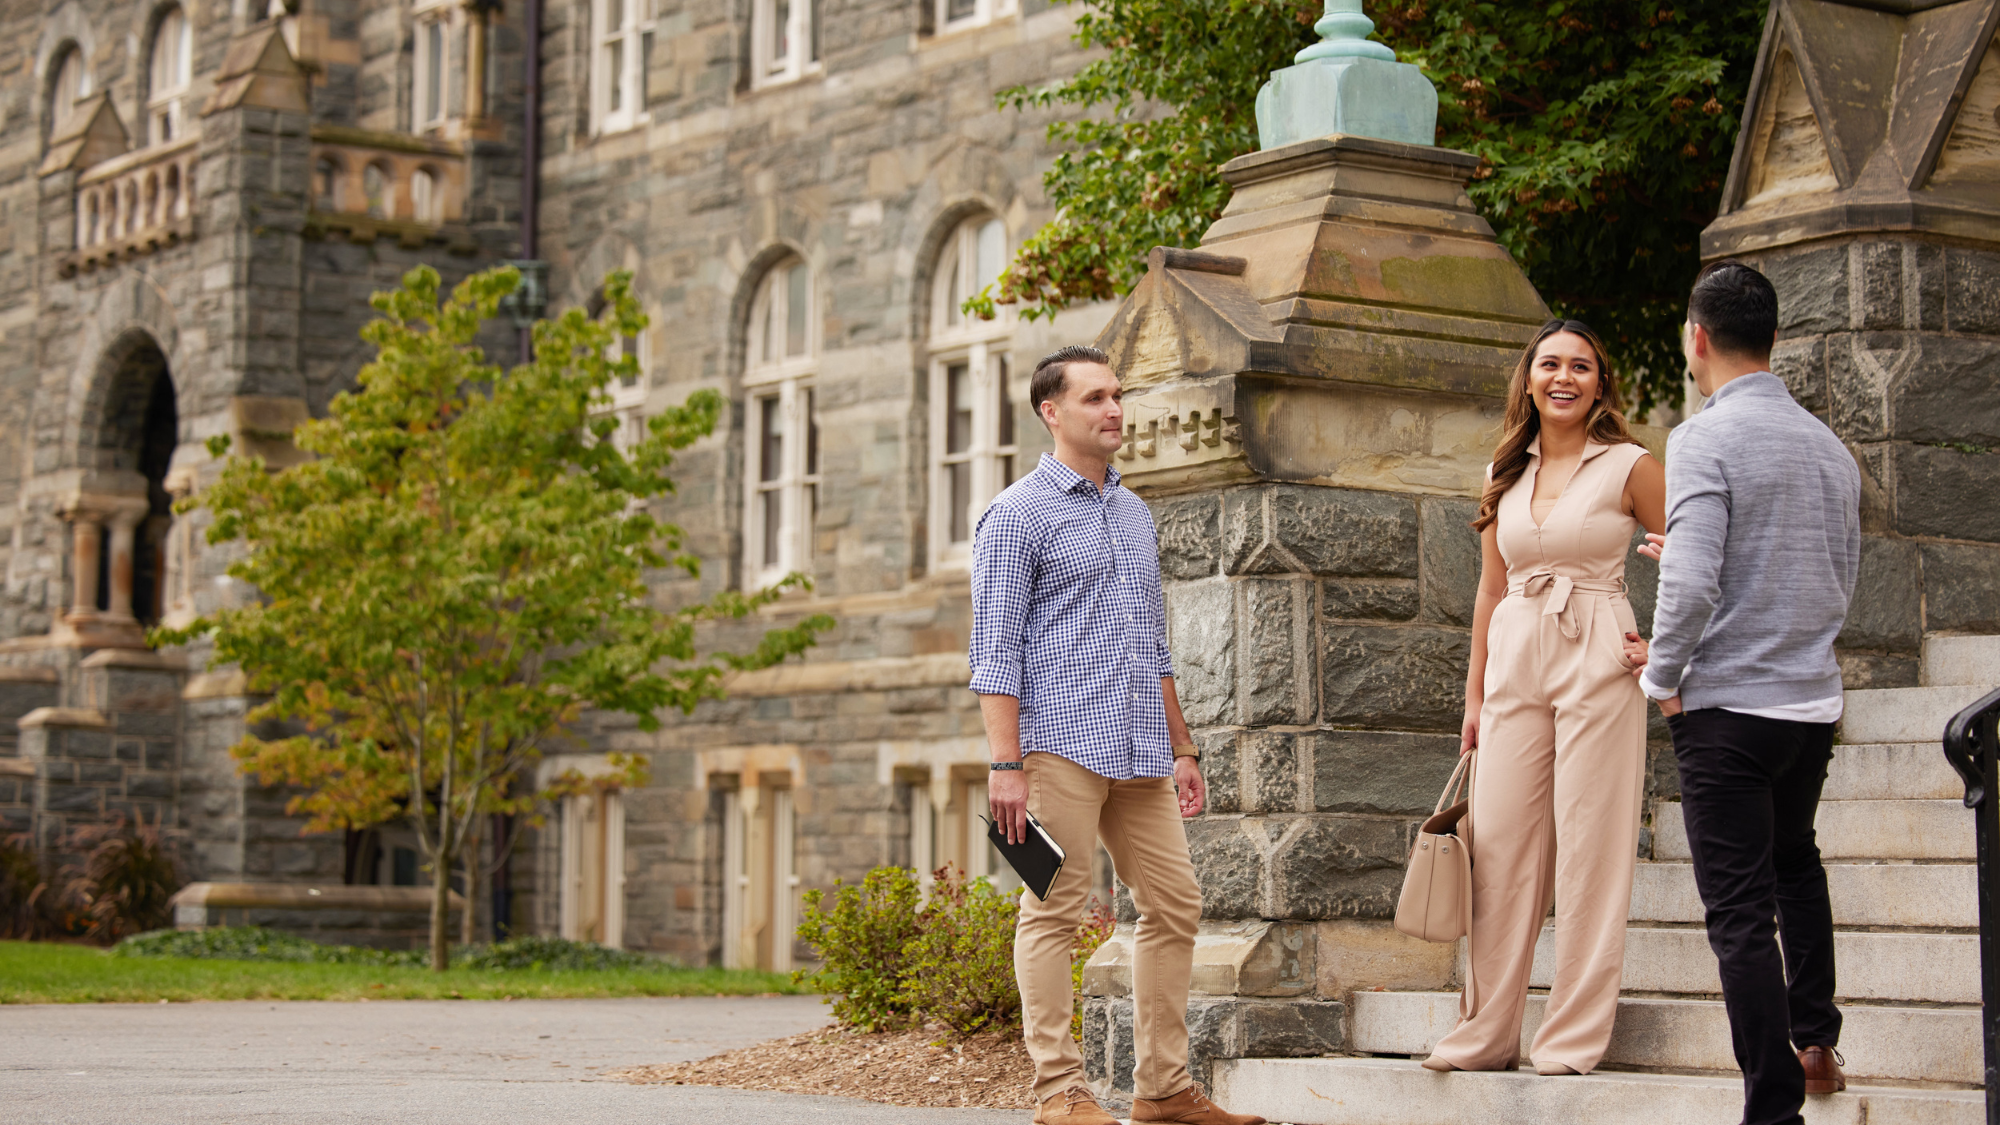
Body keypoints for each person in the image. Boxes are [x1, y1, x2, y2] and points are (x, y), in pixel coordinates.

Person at [970, 345, 1262, 1125]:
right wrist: (1006, 764)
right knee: (1054, 909)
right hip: (1056, 744)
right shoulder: (1016, 515)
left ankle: (1161, 1088)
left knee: (1175, 902)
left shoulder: (1134, 513)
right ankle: (1060, 1092)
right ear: (1051, 411)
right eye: (1095, 397)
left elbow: (1151, 645)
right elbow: (994, 652)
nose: (1114, 410)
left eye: (1118, 395)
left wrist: (1182, 746)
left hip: (1137, 746)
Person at [1634, 261, 1859, 1125]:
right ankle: (1817, 1044)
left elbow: (1691, 589)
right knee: (1795, 861)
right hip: (1809, 705)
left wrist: (1661, 678)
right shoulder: (1828, 446)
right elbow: (1831, 573)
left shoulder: (1702, 437)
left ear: (1697, 337)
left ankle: (1773, 1109)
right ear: (1771, 335)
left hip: (1728, 710)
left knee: (1737, 912)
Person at [1422, 320, 1665, 1076]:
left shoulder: (1631, 465)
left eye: (1581, 366)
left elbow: (1695, 553)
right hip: (1515, 656)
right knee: (1498, 846)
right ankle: (1485, 1032)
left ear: (1600, 383)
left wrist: (1668, 645)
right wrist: (1473, 698)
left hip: (1598, 645)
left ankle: (1570, 1037)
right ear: (1528, 379)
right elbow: (1489, 588)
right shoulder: (1504, 468)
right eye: (1551, 364)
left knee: (1591, 846)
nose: (1565, 377)